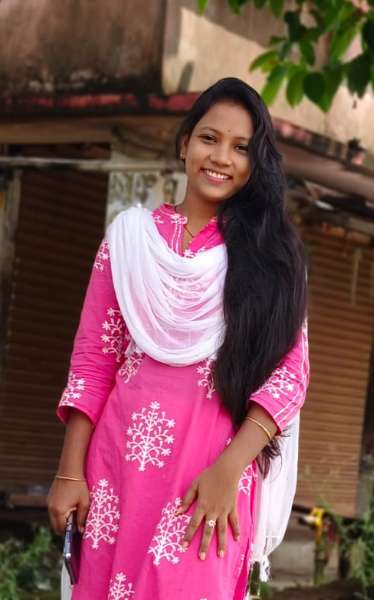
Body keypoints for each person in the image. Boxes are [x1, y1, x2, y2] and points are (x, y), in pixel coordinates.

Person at [47, 77, 309, 600]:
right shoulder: (130, 239)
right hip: (117, 471)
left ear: (255, 163)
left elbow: (290, 377)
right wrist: (69, 471)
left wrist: (229, 471)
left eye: (241, 148)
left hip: (209, 479)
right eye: (210, 138)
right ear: (185, 144)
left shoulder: (270, 258)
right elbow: (94, 359)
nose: (221, 158)